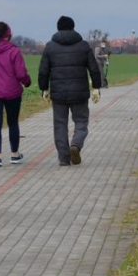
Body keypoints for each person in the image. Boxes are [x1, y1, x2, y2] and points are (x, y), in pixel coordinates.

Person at [38, 16, 102, 167]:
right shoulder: (83, 46)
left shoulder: (50, 47)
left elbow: (43, 71)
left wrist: (44, 89)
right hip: (79, 92)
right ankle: (76, 144)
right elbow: (94, 68)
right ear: (73, 27)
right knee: (81, 121)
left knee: (60, 124)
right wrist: (96, 87)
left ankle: (64, 158)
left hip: (58, 93)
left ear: (58, 28)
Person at [0, 22, 31, 167]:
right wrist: (27, 82)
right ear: (8, 35)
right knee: (12, 123)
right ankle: (14, 154)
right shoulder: (14, 51)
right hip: (12, 92)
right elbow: (21, 73)